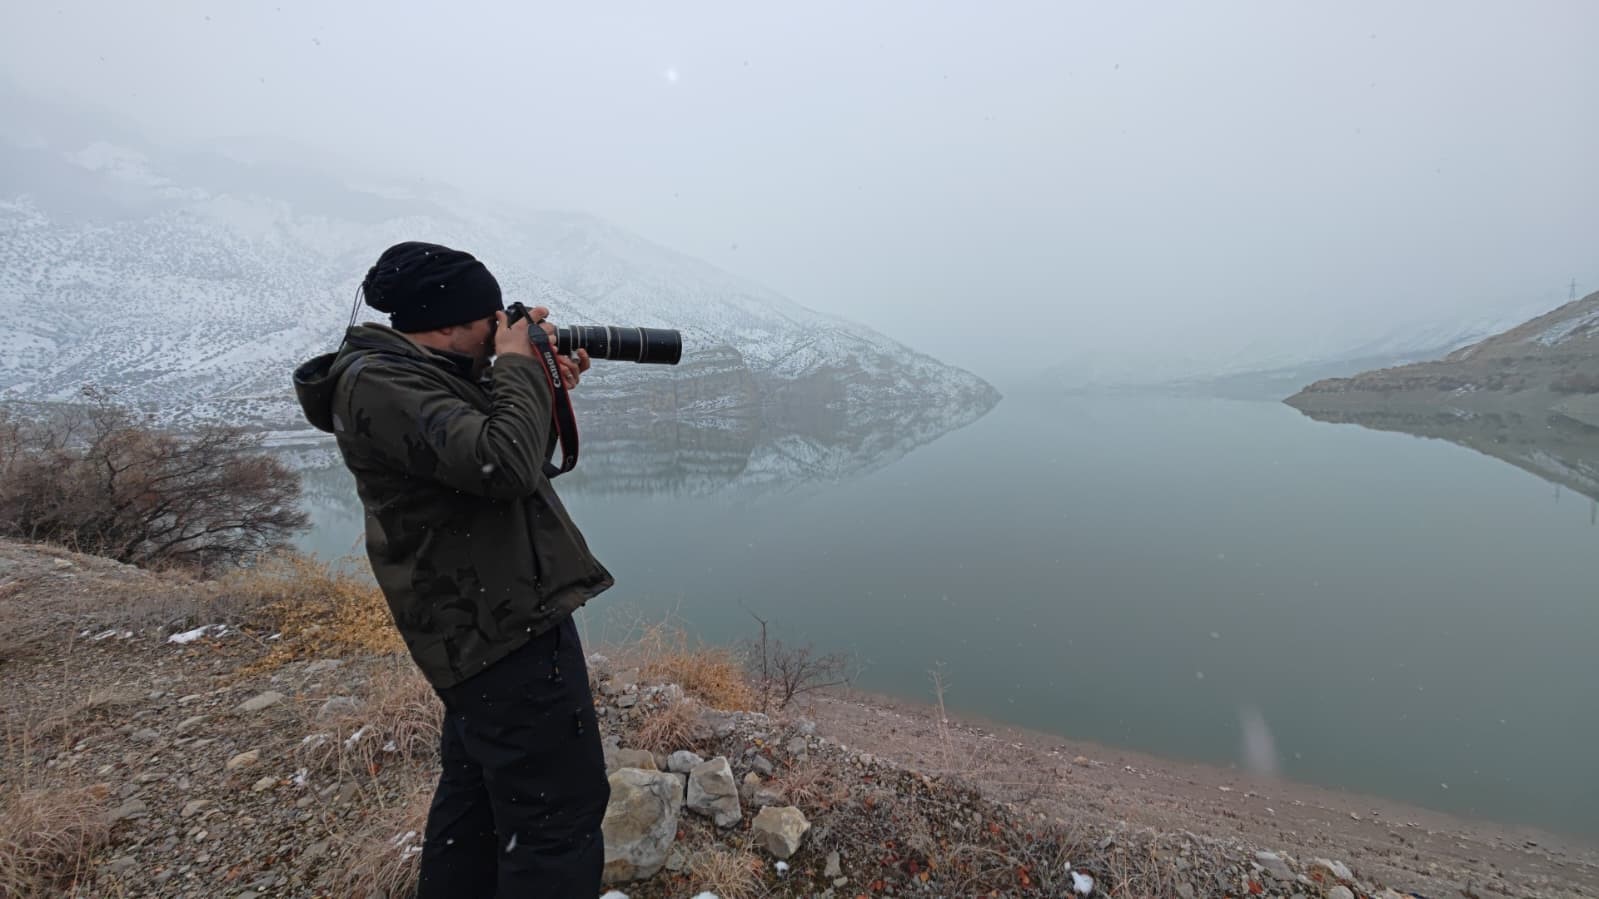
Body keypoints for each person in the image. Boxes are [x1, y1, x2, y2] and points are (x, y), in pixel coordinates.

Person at [292, 241, 614, 897]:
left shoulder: (411, 374)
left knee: (479, 804)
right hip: (496, 627)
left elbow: (505, 461)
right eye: (487, 320)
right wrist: (519, 368)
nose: (497, 332)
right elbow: (503, 464)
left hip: (482, 622)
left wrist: (536, 383)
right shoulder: (383, 385)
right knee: (557, 815)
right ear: (444, 321)